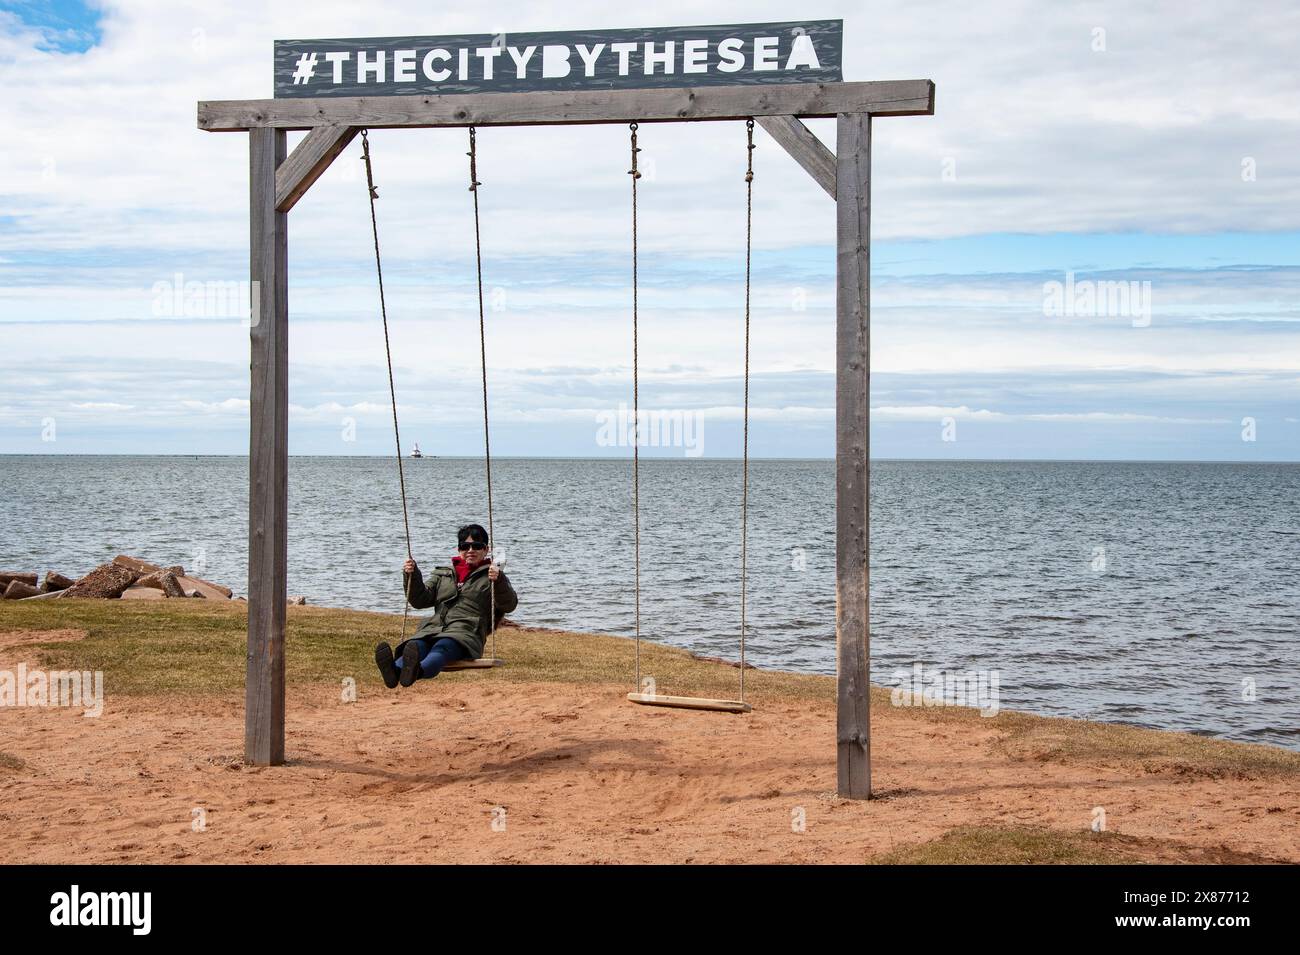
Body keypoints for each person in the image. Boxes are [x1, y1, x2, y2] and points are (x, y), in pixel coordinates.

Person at [374, 523, 518, 688]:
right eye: (465, 546)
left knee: (442, 647)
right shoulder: (443, 575)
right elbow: (420, 600)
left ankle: (416, 672)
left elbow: (509, 604)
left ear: (486, 550)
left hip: (466, 633)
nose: (470, 550)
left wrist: (498, 581)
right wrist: (412, 575)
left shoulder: (492, 575)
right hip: (433, 629)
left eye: (476, 546)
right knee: (417, 646)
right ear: (459, 549)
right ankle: (393, 672)